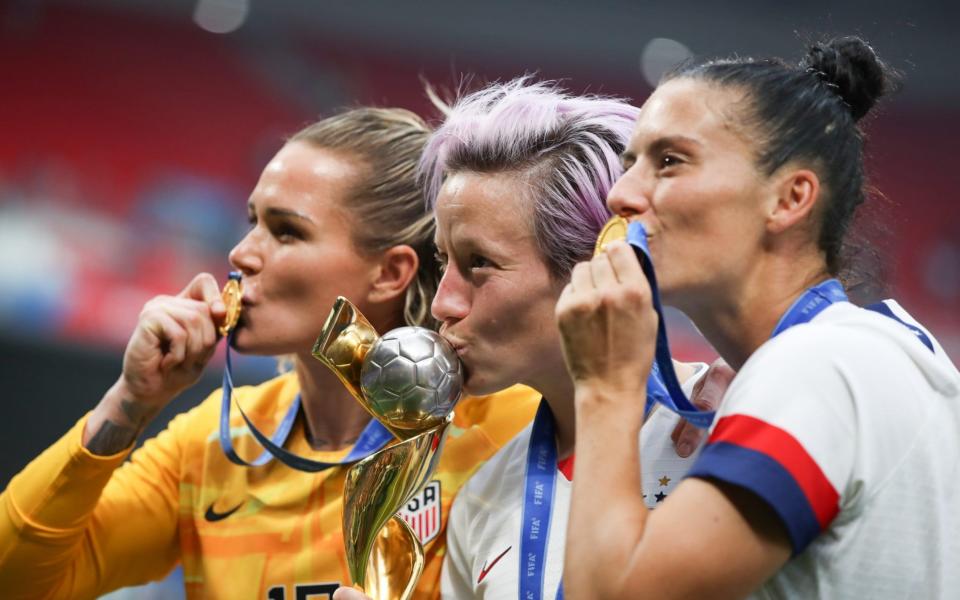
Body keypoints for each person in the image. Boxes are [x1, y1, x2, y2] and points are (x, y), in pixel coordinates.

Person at [0, 108, 542, 599]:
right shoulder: (210, 447)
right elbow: (17, 579)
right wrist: (129, 401)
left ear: (390, 273)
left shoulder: (511, 430)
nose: (240, 254)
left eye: (285, 232)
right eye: (251, 222)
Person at [558, 36, 960, 598]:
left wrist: (605, 387)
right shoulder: (877, 354)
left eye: (669, 162)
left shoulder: (818, 366)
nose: (621, 195)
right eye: (630, 165)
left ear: (790, 199)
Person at [333, 78, 733, 600]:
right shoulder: (484, 496)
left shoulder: (731, 421)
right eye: (442, 261)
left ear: (600, 265)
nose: (442, 304)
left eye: (479, 263)